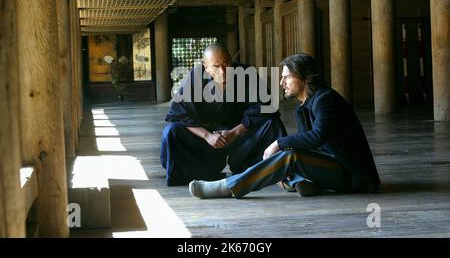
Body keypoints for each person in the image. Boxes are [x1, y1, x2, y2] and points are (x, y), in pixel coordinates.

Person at [189, 53, 381, 199]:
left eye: (287, 77)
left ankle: (228, 186)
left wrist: (279, 144)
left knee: (289, 156)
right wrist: (281, 163)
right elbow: (308, 145)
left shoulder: (326, 99)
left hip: (353, 175)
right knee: (286, 158)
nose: (281, 83)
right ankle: (302, 182)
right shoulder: (303, 107)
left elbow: (317, 136)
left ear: (304, 77)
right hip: (329, 165)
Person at [160, 44, 286, 186]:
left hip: (241, 136)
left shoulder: (246, 73)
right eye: (216, 66)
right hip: (206, 142)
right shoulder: (195, 77)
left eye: (226, 63)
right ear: (205, 66)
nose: (223, 71)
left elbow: (265, 107)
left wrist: (235, 132)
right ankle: (199, 172)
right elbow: (179, 114)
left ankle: (270, 170)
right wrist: (208, 136)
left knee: (272, 124)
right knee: (171, 131)